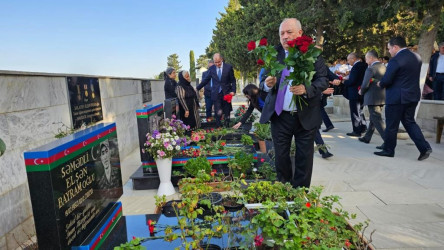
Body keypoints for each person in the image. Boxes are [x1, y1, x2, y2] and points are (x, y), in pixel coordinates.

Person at [260, 18, 328, 189]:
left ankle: (300, 195)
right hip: (280, 117)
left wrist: (306, 89)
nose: (285, 36)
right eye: (282, 33)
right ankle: (285, 192)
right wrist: (267, 84)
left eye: (289, 32)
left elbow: (323, 81)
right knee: (281, 158)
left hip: (305, 116)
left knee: (304, 159)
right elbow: (262, 81)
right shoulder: (273, 54)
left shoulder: (313, 55)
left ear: (300, 33)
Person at [375, 36, 432, 160]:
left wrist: (381, 83)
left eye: (389, 49)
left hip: (397, 98)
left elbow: (388, 79)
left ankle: (389, 150)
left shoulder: (395, 60)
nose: (389, 51)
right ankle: (424, 148)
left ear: (395, 47)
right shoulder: (417, 57)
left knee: (391, 125)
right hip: (413, 96)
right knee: (410, 122)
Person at [197, 53, 236, 127]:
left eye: (219, 62)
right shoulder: (212, 69)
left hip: (227, 93)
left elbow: (233, 80)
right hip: (216, 93)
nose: (217, 64)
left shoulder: (228, 67)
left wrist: (233, 90)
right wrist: (197, 88)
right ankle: (218, 127)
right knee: (217, 112)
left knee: (227, 111)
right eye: (215, 62)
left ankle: (227, 126)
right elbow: (206, 80)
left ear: (221, 59)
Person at [358, 50, 386, 146]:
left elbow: (365, 84)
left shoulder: (371, 68)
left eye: (366, 59)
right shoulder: (384, 66)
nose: (366, 61)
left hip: (372, 97)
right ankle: (367, 137)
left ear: (370, 58)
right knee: (374, 118)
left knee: (377, 119)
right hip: (382, 96)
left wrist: (361, 91)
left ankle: (388, 141)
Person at [337, 52, 368, 137]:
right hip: (362, 92)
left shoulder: (356, 67)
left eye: (348, 60)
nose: (347, 62)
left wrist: (344, 81)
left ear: (353, 59)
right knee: (360, 111)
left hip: (354, 92)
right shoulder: (364, 65)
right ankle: (363, 126)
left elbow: (352, 81)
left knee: (355, 112)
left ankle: (357, 130)